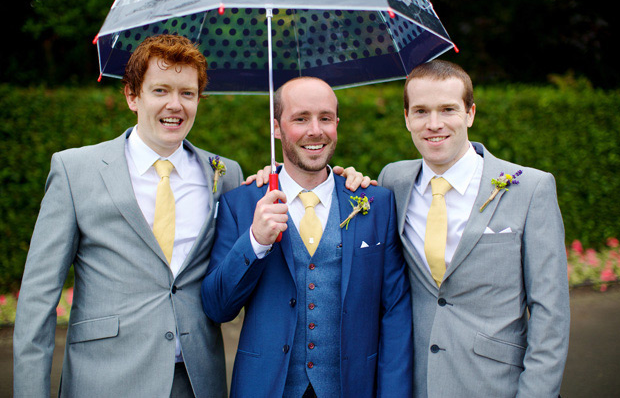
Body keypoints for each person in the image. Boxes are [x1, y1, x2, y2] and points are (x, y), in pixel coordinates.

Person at [12, 34, 244, 397]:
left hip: (196, 382)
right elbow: (38, 298)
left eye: (187, 93)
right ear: (132, 96)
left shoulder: (225, 174)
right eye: (160, 91)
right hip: (104, 379)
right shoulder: (76, 170)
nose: (175, 105)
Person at [201, 77, 413, 397]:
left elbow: (395, 311)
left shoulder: (376, 203)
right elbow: (217, 307)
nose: (316, 130)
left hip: (352, 386)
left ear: (336, 124)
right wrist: (256, 240)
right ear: (277, 128)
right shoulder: (241, 203)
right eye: (301, 118)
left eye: (325, 118)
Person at [378, 59, 570, 397]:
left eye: (448, 109)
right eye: (421, 111)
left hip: (496, 384)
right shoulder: (392, 181)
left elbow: (549, 312)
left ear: (470, 113)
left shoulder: (530, 189)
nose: (433, 124)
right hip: (416, 382)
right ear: (406, 118)